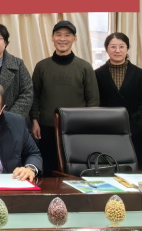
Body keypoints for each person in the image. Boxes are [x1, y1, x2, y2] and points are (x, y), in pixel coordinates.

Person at [30, 20, 99, 176]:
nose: (62, 39)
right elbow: (34, 97)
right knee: (48, 170)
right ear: (52, 38)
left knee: (76, 171)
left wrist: (88, 126)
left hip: (77, 129)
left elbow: (93, 100)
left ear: (74, 39)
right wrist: (34, 120)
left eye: (67, 35)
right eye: (58, 35)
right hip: (47, 128)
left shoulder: (85, 67)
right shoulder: (42, 66)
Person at [95, 32, 142, 171]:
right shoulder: (97, 75)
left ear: (127, 48)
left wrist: (132, 127)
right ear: (106, 49)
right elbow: (94, 103)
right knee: (109, 171)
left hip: (138, 133)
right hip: (108, 132)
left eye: (121, 46)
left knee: (141, 173)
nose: (117, 50)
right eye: (113, 46)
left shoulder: (139, 74)